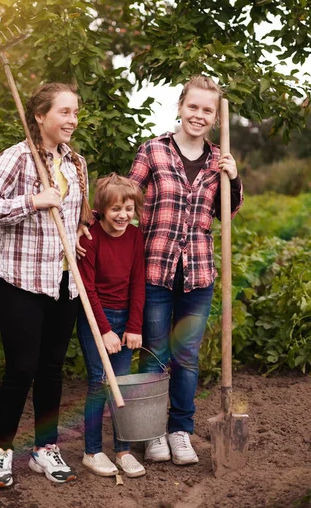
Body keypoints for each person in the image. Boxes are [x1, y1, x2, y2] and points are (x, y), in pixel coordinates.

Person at [0, 82, 91, 487]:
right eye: (64, 112)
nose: (72, 120)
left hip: (63, 281)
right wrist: (32, 202)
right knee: (21, 368)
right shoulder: (16, 158)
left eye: (75, 113)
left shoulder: (77, 163)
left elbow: (76, 215)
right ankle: (0, 454)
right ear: (40, 116)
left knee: (52, 370)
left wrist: (77, 232)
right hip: (22, 279)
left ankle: (45, 449)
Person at [128, 75, 243, 466]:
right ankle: (153, 432)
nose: (199, 115)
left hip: (198, 274)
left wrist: (233, 177)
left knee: (187, 357)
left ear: (215, 117)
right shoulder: (153, 151)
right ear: (180, 106)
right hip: (156, 270)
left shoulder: (218, 159)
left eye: (207, 110)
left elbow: (227, 212)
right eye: (193, 106)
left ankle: (180, 430)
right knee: (156, 353)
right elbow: (128, 200)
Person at [77, 173, 146, 478]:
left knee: (123, 387)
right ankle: (92, 451)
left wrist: (133, 326)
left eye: (128, 209)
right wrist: (104, 330)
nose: (123, 216)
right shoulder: (90, 237)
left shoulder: (135, 237)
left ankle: (123, 450)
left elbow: (138, 284)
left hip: (123, 317)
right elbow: (87, 289)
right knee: (98, 385)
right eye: (116, 209)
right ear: (102, 209)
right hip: (95, 318)